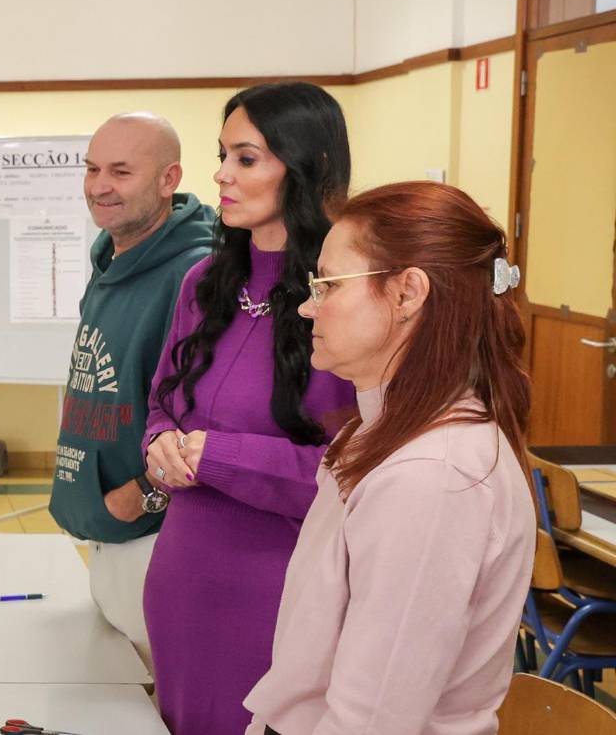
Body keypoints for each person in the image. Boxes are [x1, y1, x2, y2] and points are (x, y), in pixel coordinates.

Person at [245, 181, 535, 735]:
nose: (308, 307)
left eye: (327, 284)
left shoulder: (433, 477)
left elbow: (372, 720)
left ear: (407, 294)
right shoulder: (381, 434)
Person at [141, 82, 357, 734]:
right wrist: (158, 447)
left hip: (279, 595)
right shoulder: (203, 284)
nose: (221, 174)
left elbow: (353, 471)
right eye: (222, 154)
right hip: (180, 578)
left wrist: (219, 455)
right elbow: (160, 408)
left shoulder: (341, 300)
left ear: (307, 165)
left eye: (246, 158)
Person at [46, 112, 214, 672]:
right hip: (107, 541)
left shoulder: (196, 273)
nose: (99, 185)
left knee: (150, 709)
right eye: (93, 168)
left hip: (151, 542)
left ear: (170, 179)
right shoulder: (111, 258)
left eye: (121, 171)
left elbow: (210, 419)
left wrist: (142, 495)